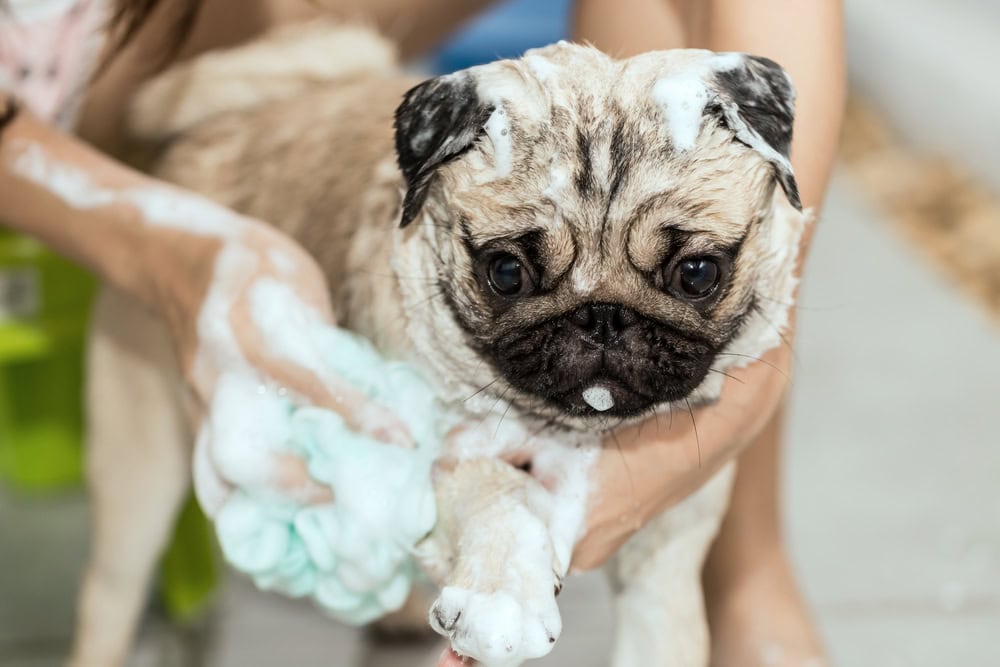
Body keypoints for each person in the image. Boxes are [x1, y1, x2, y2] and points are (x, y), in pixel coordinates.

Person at [0, 1, 843, 665]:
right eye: (513, 272)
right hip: (142, 112)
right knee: (120, 563)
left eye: (691, 273)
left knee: (669, 564)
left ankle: (749, 581)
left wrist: (698, 423)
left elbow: (778, 245)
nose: (602, 331)